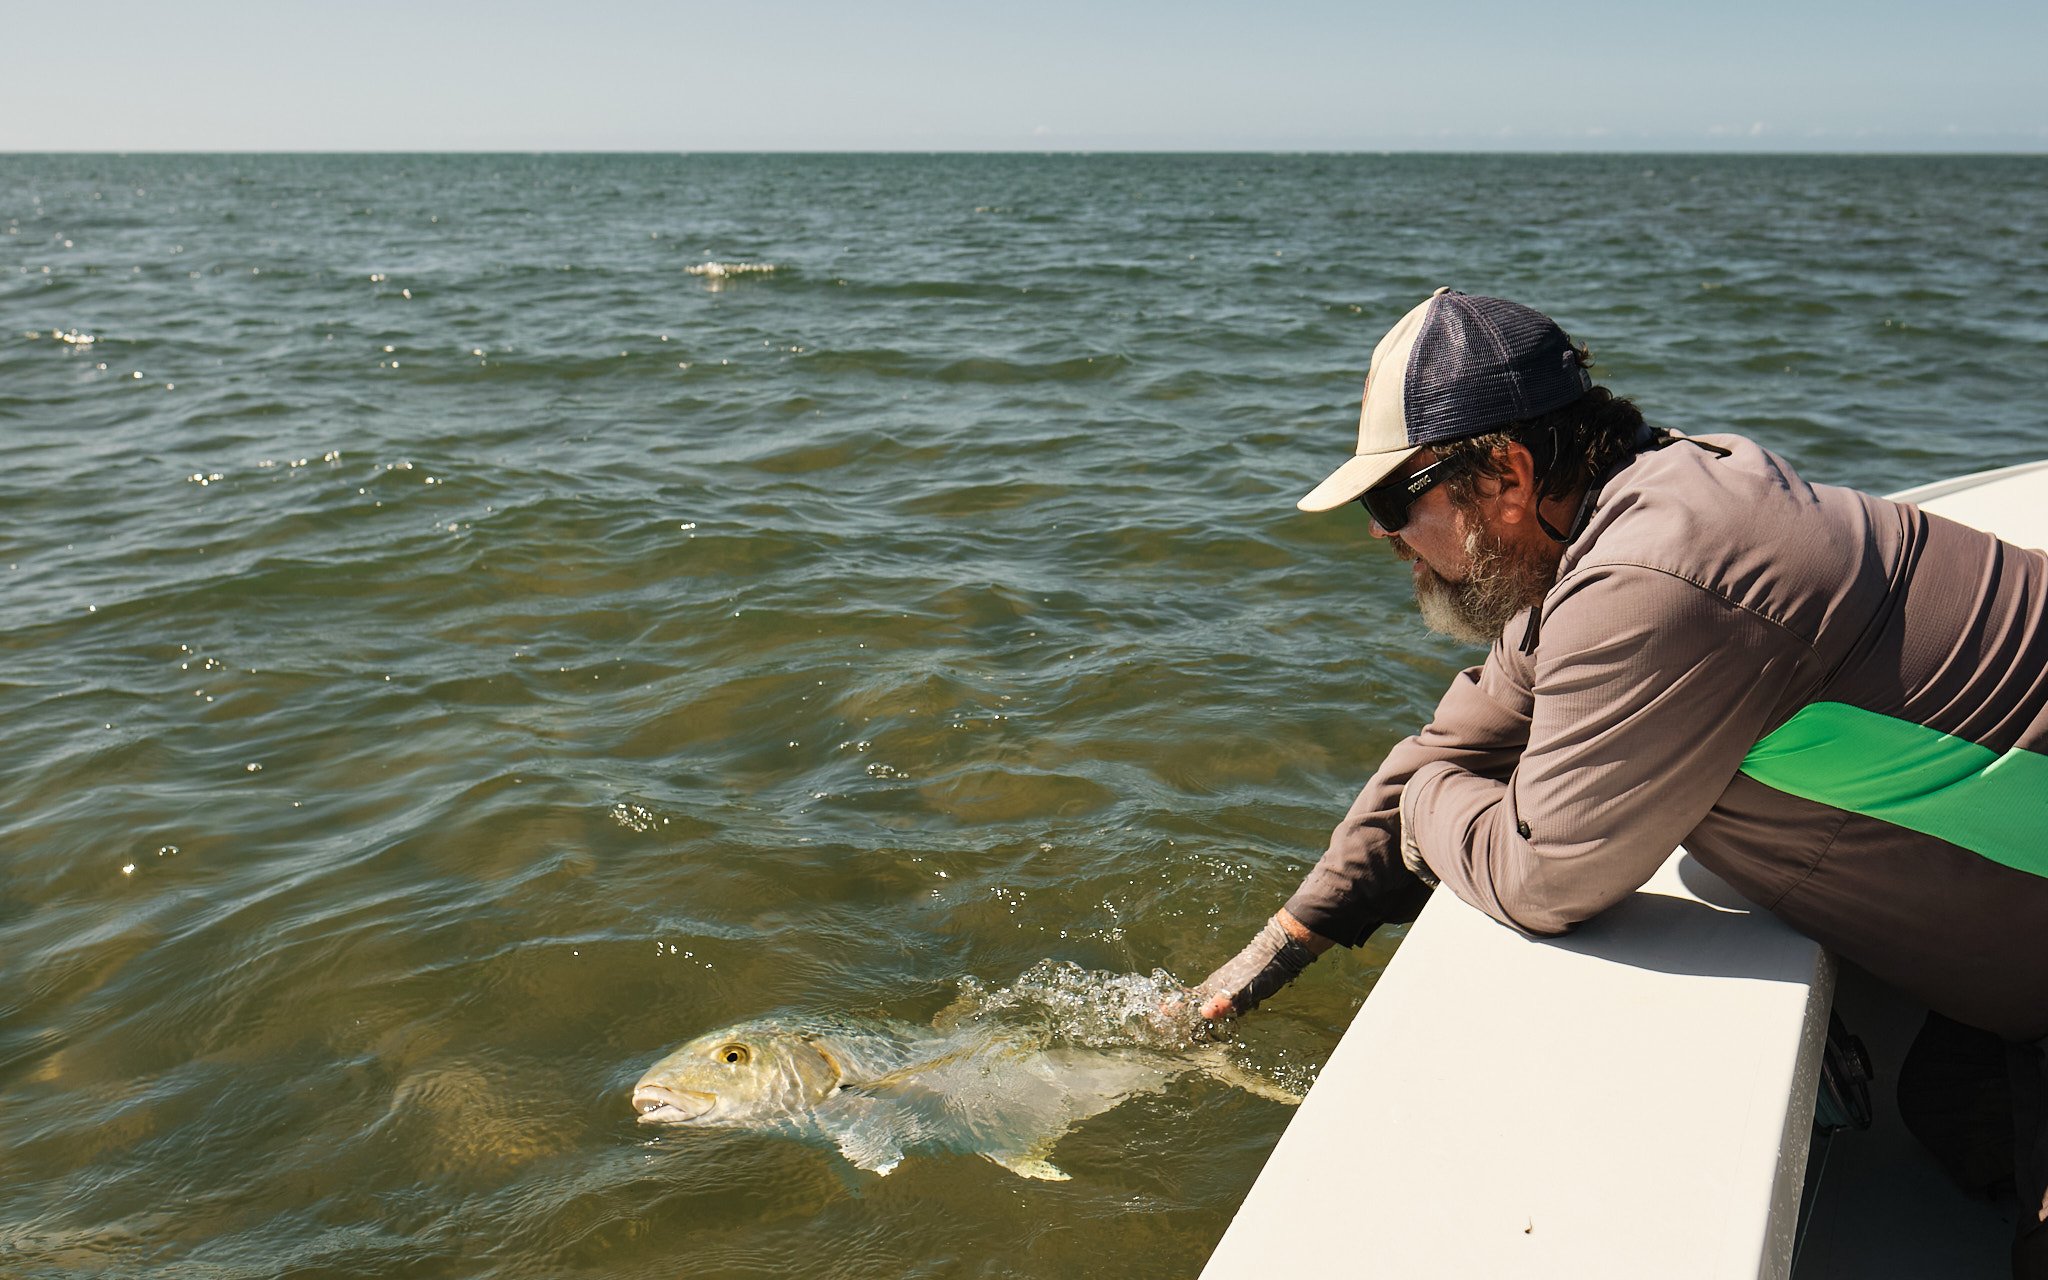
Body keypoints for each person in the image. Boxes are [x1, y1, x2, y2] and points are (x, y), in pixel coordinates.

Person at [1192, 288, 2048, 1277]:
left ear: (1504, 474)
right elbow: (1454, 734)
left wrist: (1431, 817)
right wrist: (1273, 952)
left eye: (1395, 501)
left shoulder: (1656, 578)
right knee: (1948, 1110)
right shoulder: (1639, 512)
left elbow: (1541, 872)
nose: (1382, 536)